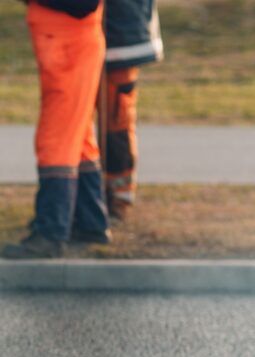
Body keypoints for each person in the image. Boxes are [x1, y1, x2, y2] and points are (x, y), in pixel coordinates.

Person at [3, 0, 109, 259]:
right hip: (68, 46)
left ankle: (51, 233)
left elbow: (83, 3)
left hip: (70, 49)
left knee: (56, 141)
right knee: (79, 138)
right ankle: (89, 222)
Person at [103, 0, 163, 220]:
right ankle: (88, 196)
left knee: (116, 118)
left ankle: (118, 196)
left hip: (123, 31)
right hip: (87, 26)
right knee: (79, 121)